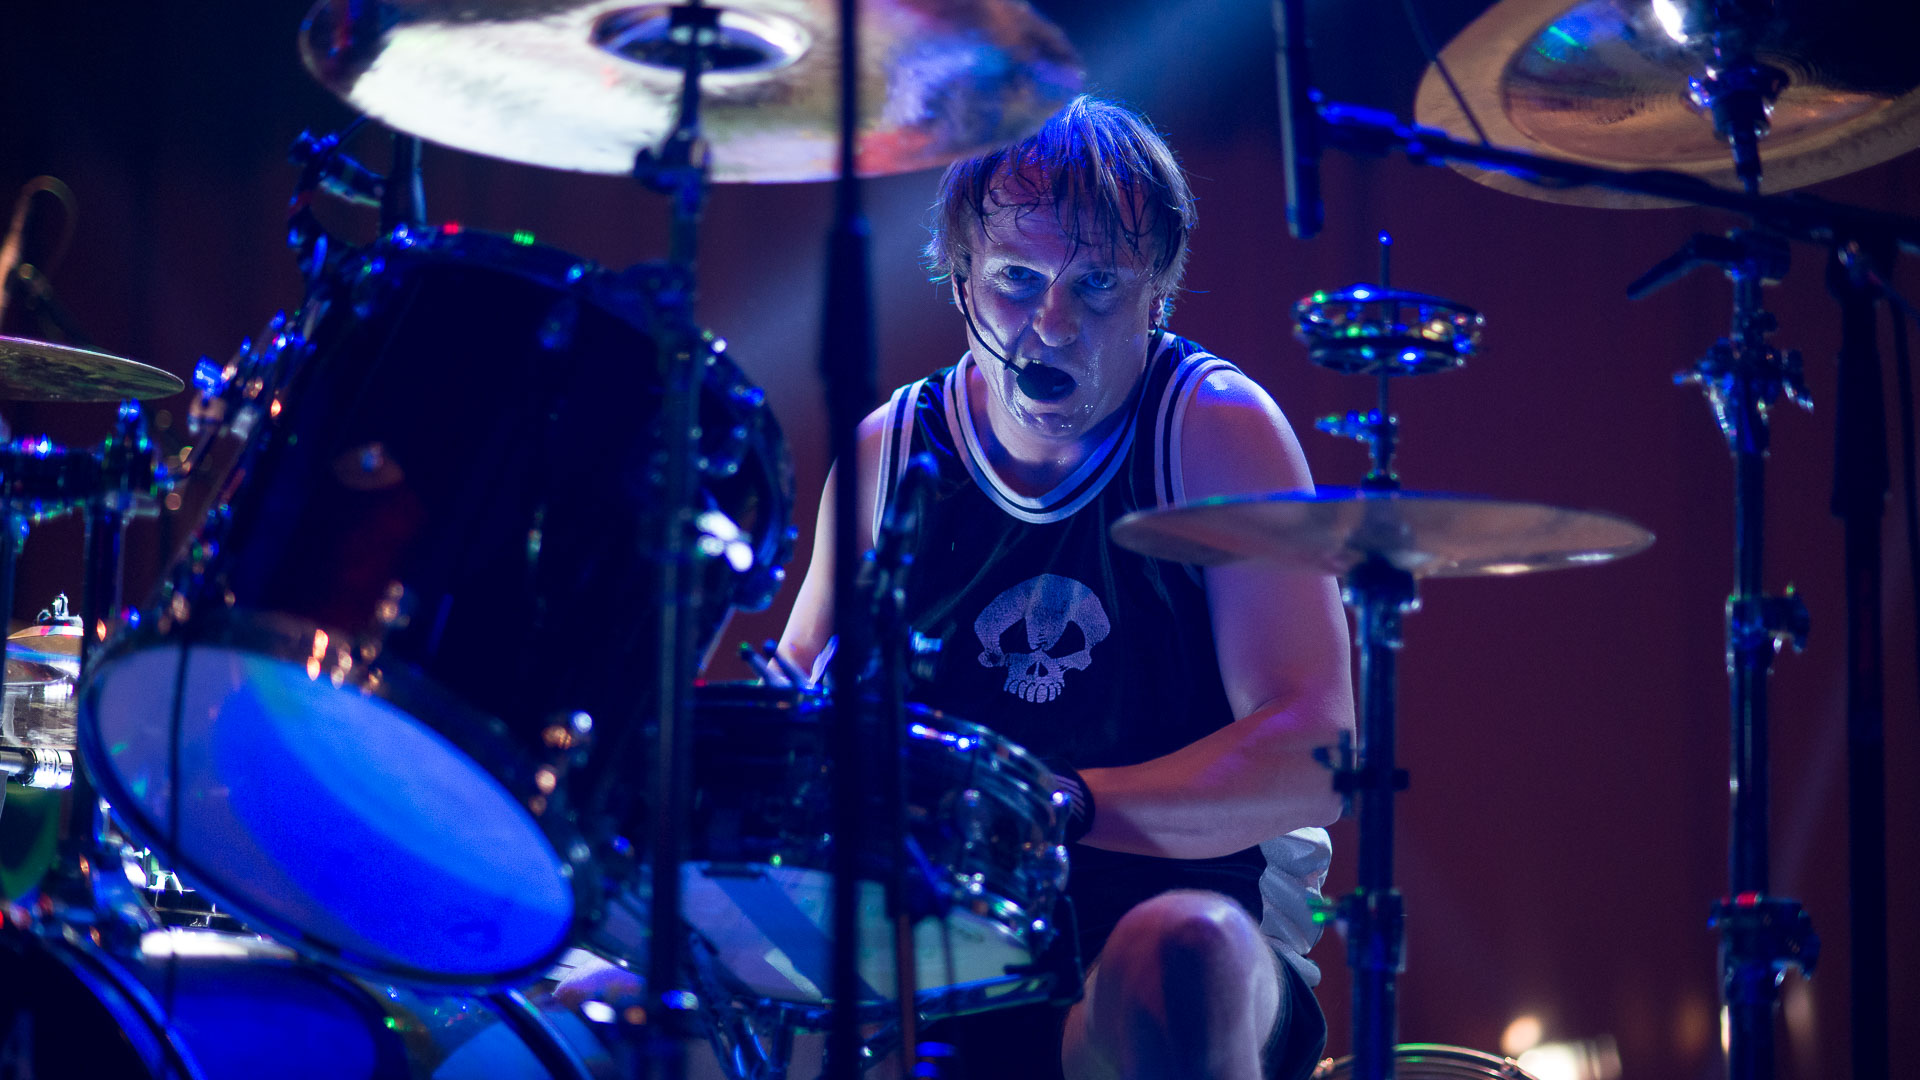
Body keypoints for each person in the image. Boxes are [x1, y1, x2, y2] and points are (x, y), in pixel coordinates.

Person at [777, 96, 1355, 1080]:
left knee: (1182, 954)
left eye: (1096, 284)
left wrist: (1056, 807)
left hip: (1177, 920)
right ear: (962, 279)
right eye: (1016, 278)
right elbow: (793, 718)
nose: (1051, 323)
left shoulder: (1212, 429)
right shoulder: (891, 451)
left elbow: (1316, 757)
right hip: (930, 944)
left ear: (1156, 293)